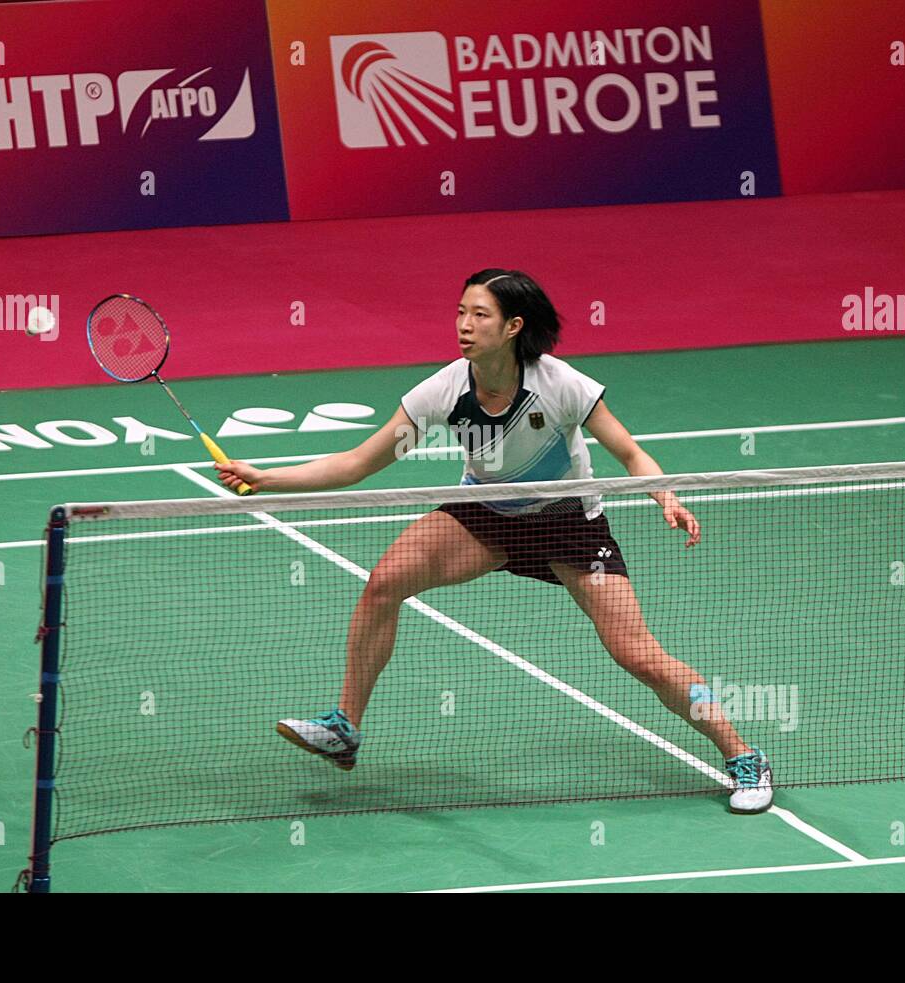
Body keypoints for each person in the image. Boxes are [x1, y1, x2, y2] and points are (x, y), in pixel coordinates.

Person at [216, 269, 773, 814]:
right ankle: (344, 728)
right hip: (486, 513)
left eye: (479, 314)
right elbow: (359, 463)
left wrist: (664, 495)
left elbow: (629, 453)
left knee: (641, 657)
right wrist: (268, 478)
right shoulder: (443, 390)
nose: (464, 324)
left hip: (568, 523)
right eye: (461, 312)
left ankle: (743, 754)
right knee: (385, 583)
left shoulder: (560, 385)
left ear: (512, 326)